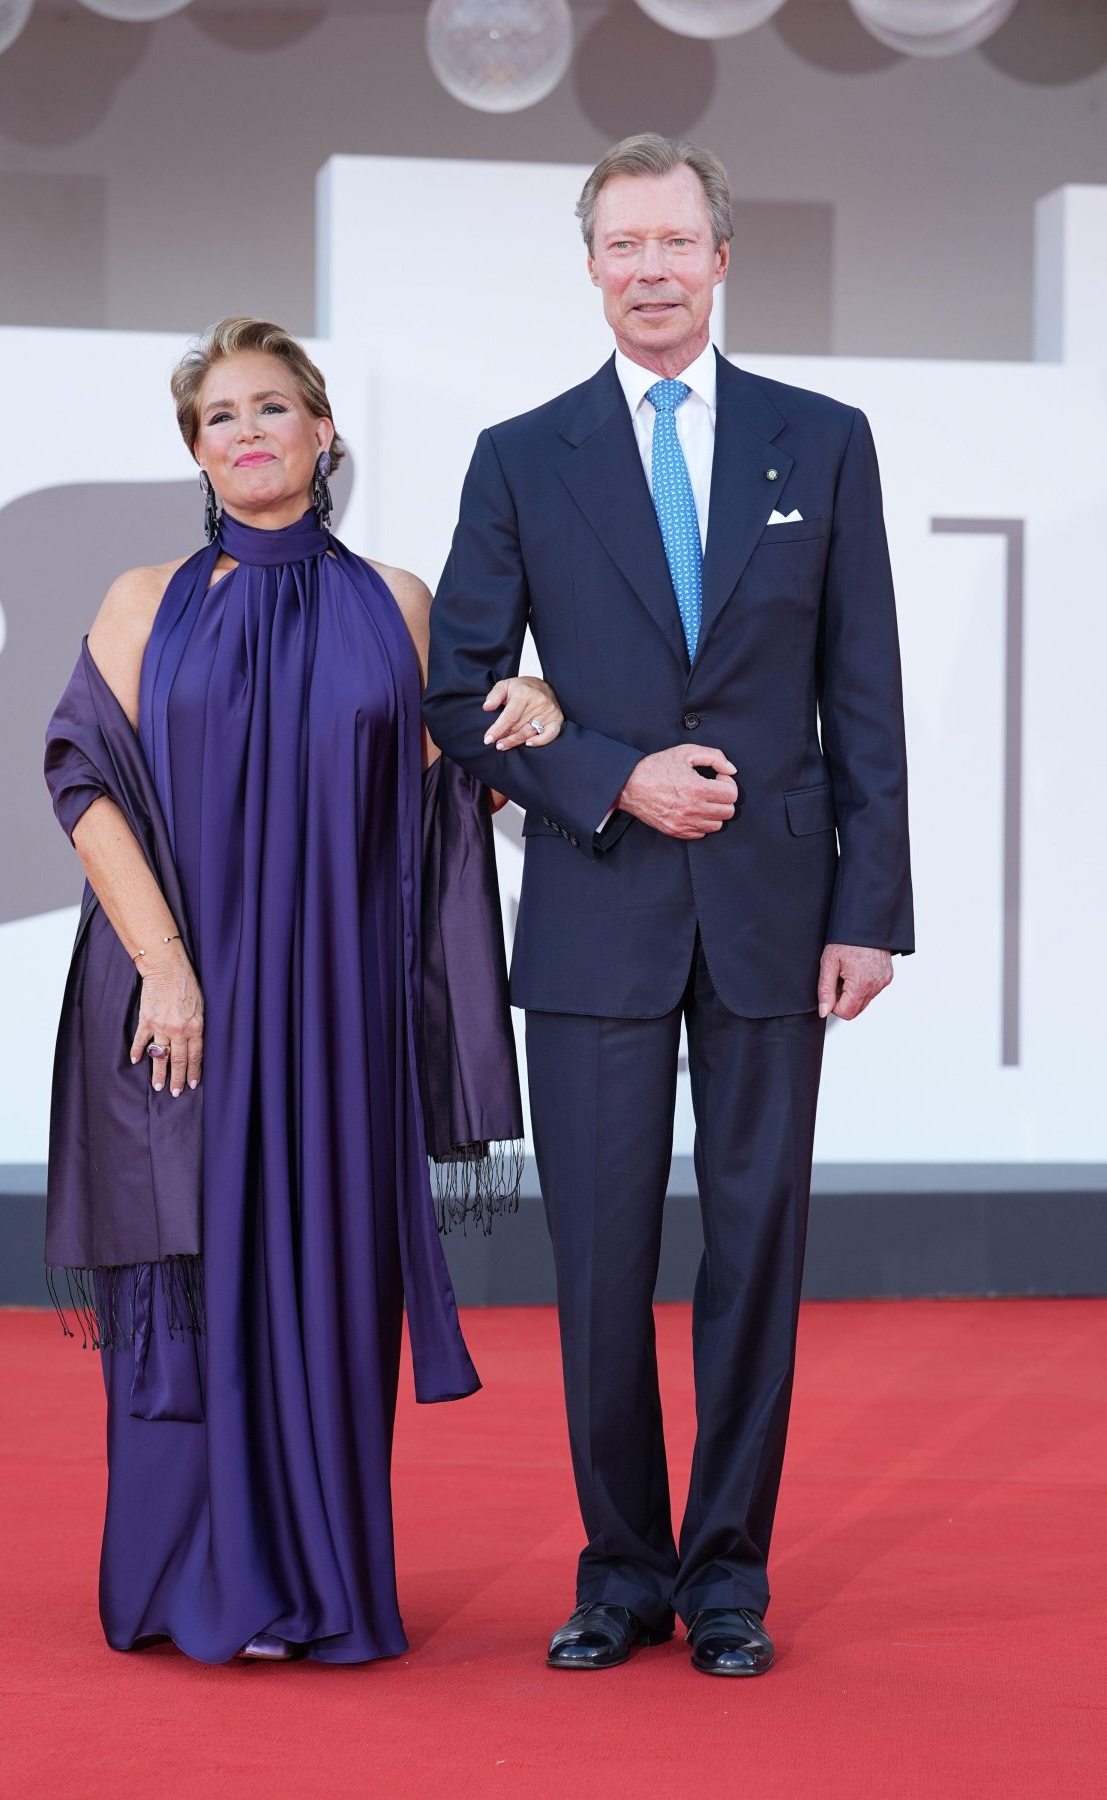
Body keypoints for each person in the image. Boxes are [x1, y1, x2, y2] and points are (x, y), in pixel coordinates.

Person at [424, 135, 914, 1678]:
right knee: (598, 1266)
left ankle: (727, 1581)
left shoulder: (822, 441)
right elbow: (456, 687)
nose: (649, 268)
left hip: (779, 911)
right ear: (591, 268)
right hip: (596, 903)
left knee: (757, 1251)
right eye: (621, 244)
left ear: (720, 259)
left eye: (674, 241)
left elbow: (866, 694)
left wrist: (873, 908)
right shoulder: (523, 453)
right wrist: (614, 776)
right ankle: (621, 1570)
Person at [43, 316, 562, 1665]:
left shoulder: (396, 601)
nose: (251, 432)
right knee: (194, 1280)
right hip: (181, 1005)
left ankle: (321, 1587)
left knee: (331, 1292)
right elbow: (84, 786)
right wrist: (167, 967)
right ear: (196, 452)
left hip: (339, 1012)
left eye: (276, 407)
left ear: (324, 434)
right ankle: (183, 1582)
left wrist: (540, 712)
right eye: (222, 416)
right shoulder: (142, 600)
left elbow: (455, 790)